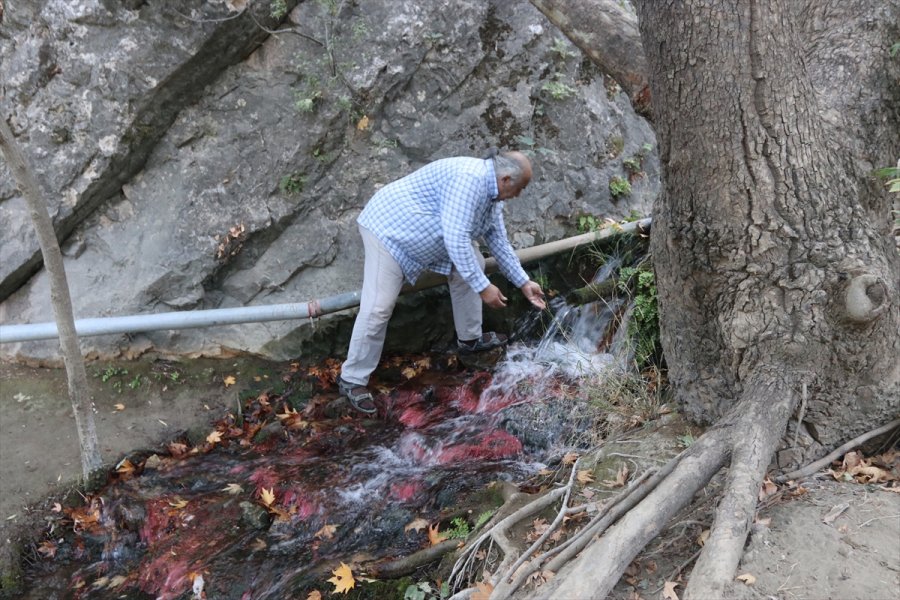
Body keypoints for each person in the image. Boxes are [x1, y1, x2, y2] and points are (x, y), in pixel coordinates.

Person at [338, 151, 547, 414]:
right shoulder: (468, 181)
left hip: (428, 237)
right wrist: (483, 288)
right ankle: (352, 379)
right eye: (520, 188)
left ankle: (469, 340)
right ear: (505, 179)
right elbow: (457, 239)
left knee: (474, 264)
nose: (519, 195)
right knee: (378, 308)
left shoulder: (493, 196)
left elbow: (498, 241)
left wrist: (523, 282)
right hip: (390, 234)